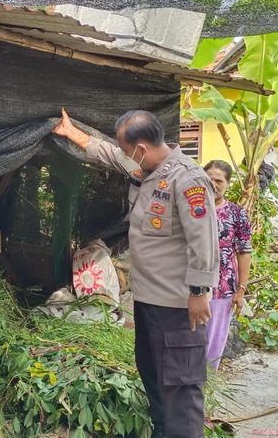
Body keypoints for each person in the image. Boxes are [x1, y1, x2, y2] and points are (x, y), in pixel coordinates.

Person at [53, 109, 219, 438]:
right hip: (148, 303)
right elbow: (112, 155)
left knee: (180, 395)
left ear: (141, 147)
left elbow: (205, 241)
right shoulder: (144, 165)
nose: (125, 157)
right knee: (156, 385)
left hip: (178, 309)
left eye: (128, 150)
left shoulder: (188, 180)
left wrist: (199, 293)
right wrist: (73, 133)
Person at [203, 160, 252, 370]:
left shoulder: (236, 213)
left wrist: (241, 290)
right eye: (209, 178)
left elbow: (244, 252)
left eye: (219, 180)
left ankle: (206, 386)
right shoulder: (191, 208)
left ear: (228, 184)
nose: (213, 183)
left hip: (222, 286)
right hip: (187, 285)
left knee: (214, 341)